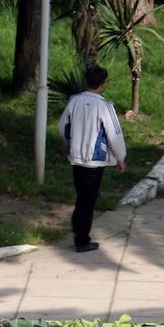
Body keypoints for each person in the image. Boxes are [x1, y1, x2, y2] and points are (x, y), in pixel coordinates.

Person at [57, 65, 126, 254]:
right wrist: (120, 157)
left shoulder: (74, 101)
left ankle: (77, 229)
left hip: (76, 157)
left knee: (81, 196)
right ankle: (82, 240)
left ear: (86, 81)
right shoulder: (104, 105)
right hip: (94, 160)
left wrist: (72, 142)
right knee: (88, 200)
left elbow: (62, 126)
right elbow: (114, 133)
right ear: (102, 84)